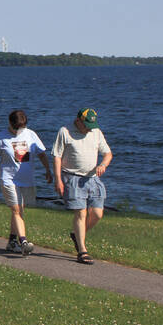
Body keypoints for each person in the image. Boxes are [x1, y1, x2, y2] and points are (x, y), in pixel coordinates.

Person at [52, 108, 113, 265]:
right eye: (86, 125)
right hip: (72, 177)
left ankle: (77, 235)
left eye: (90, 126)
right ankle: (82, 251)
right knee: (81, 213)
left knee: (98, 214)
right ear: (78, 120)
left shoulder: (96, 132)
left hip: (92, 178)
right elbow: (57, 156)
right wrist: (58, 179)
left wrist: (103, 165)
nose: (88, 129)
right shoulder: (65, 131)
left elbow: (108, 154)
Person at [0, 109, 50, 255]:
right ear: (9, 123)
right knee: (16, 209)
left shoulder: (30, 134)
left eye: (20, 128)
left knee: (19, 210)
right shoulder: (1, 138)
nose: (18, 130)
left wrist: (48, 170)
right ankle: (23, 241)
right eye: (15, 127)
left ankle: (11, 241)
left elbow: (41, 154)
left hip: (26, 179)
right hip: (8, 179)